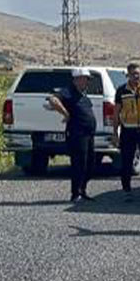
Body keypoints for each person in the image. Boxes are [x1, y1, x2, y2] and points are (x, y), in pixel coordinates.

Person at [46, 68, 97, 202]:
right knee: (79, 163)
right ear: (77, 80)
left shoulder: (83, 94)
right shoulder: (68, 92)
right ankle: (76, 193)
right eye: (85, 79)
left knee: (90, 164)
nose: (87, 82)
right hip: (77, 134)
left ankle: (83, 189)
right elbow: (53, 100)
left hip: (89, 134)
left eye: (88, 80)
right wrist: (65, 113)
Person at [115, 63, 140, 201]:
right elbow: (116, 112)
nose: (136, 76)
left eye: (138, 73)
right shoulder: (122, 91)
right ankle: (126, 190)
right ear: (128, 75)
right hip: (128, 130)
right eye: (133, 74)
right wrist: (115, 132)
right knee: (126, 161)